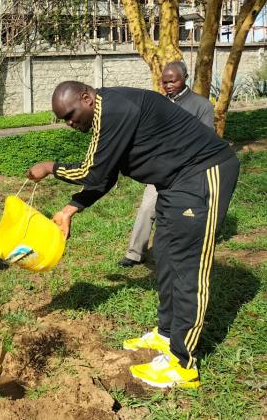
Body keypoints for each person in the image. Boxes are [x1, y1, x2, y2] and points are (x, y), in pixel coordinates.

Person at [27, 81, 239, 389]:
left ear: (87, 97)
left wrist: (49, 166)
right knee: (166, 257)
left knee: (187, 267)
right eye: (64, 120)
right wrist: (69, 210)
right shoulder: (105, 113)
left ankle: (182, 364)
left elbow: (92, 172)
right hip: (174, 183)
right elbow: (106, 176)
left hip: (203, 174)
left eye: (71, 115)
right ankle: (166, 335)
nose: (71, 124)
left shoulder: (114, 108)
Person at [120, 61, 215, 267]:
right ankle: (135, 253)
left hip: (187, 172)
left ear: (185, 78)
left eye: (173, 81)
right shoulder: (159, 103)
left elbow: (207, 138)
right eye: (164, 82)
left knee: (180, 214)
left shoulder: (202, 105)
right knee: (147, 208)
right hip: (159, 168)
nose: (168, 85)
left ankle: (178, 253)